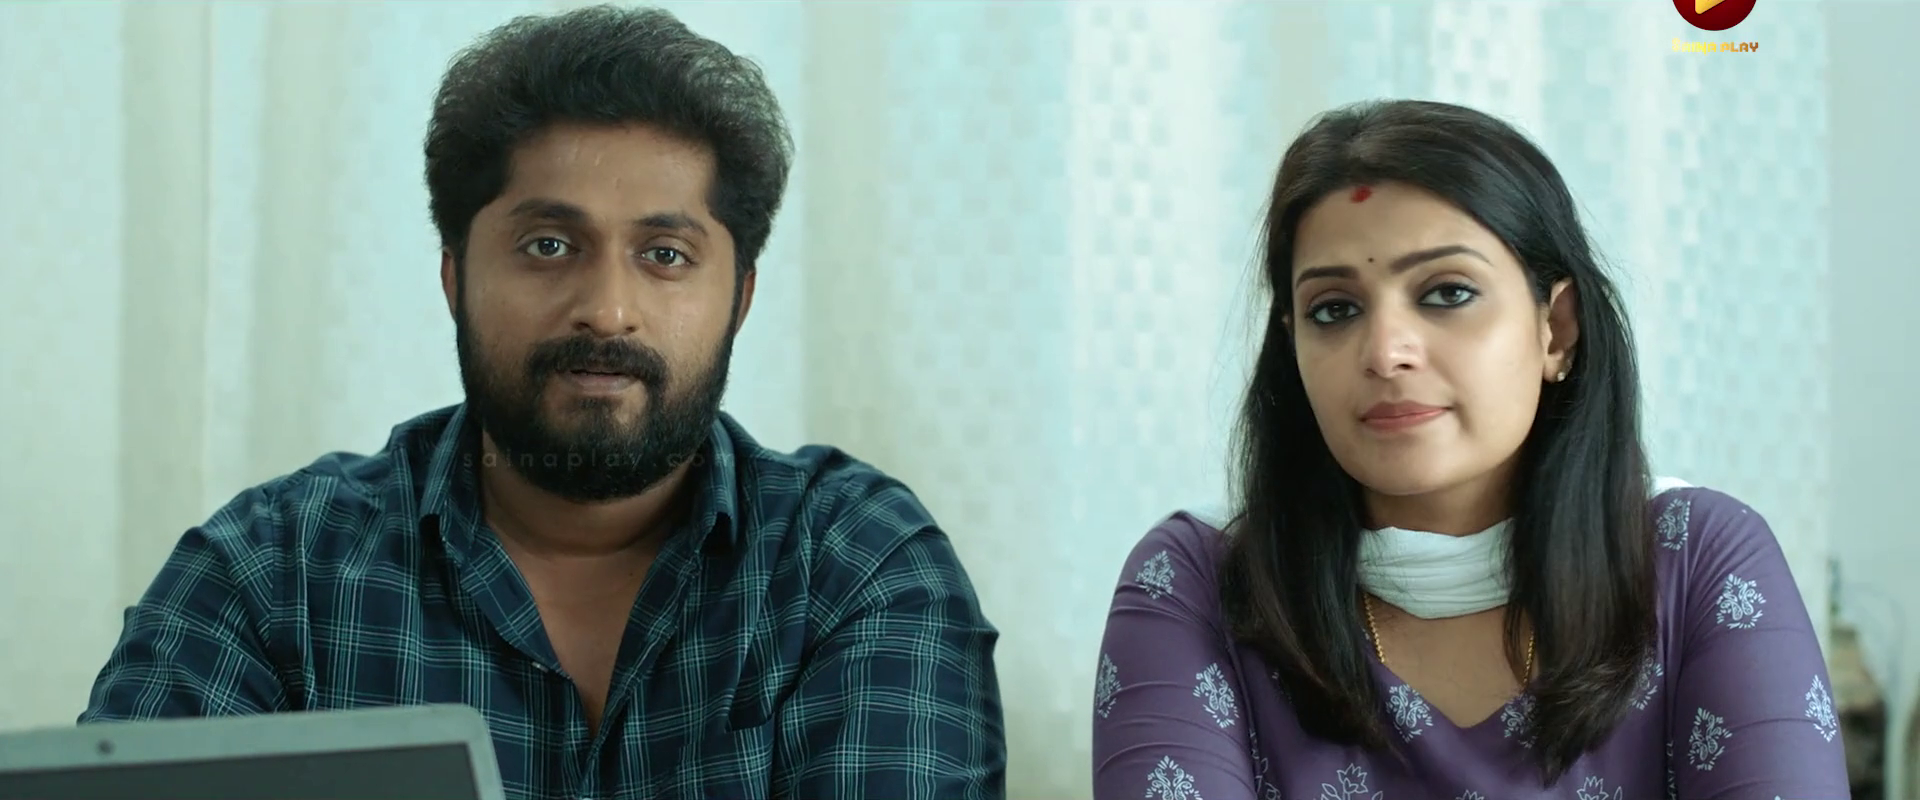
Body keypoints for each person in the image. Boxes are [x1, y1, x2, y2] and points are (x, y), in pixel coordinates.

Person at [80, 6, 1005, 799]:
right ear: (455, 278)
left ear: (740, 297)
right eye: (549, 246)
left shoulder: (853, 569)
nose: (606, 308)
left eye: (666, 255)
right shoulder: (270, 575)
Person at [1090, 99, 1847, 799]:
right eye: (1335, 309)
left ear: (1558, 329)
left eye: (1447, 293)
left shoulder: (1695, 559)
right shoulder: (1199, 581)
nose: (1385, 352)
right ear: (1293, 349)